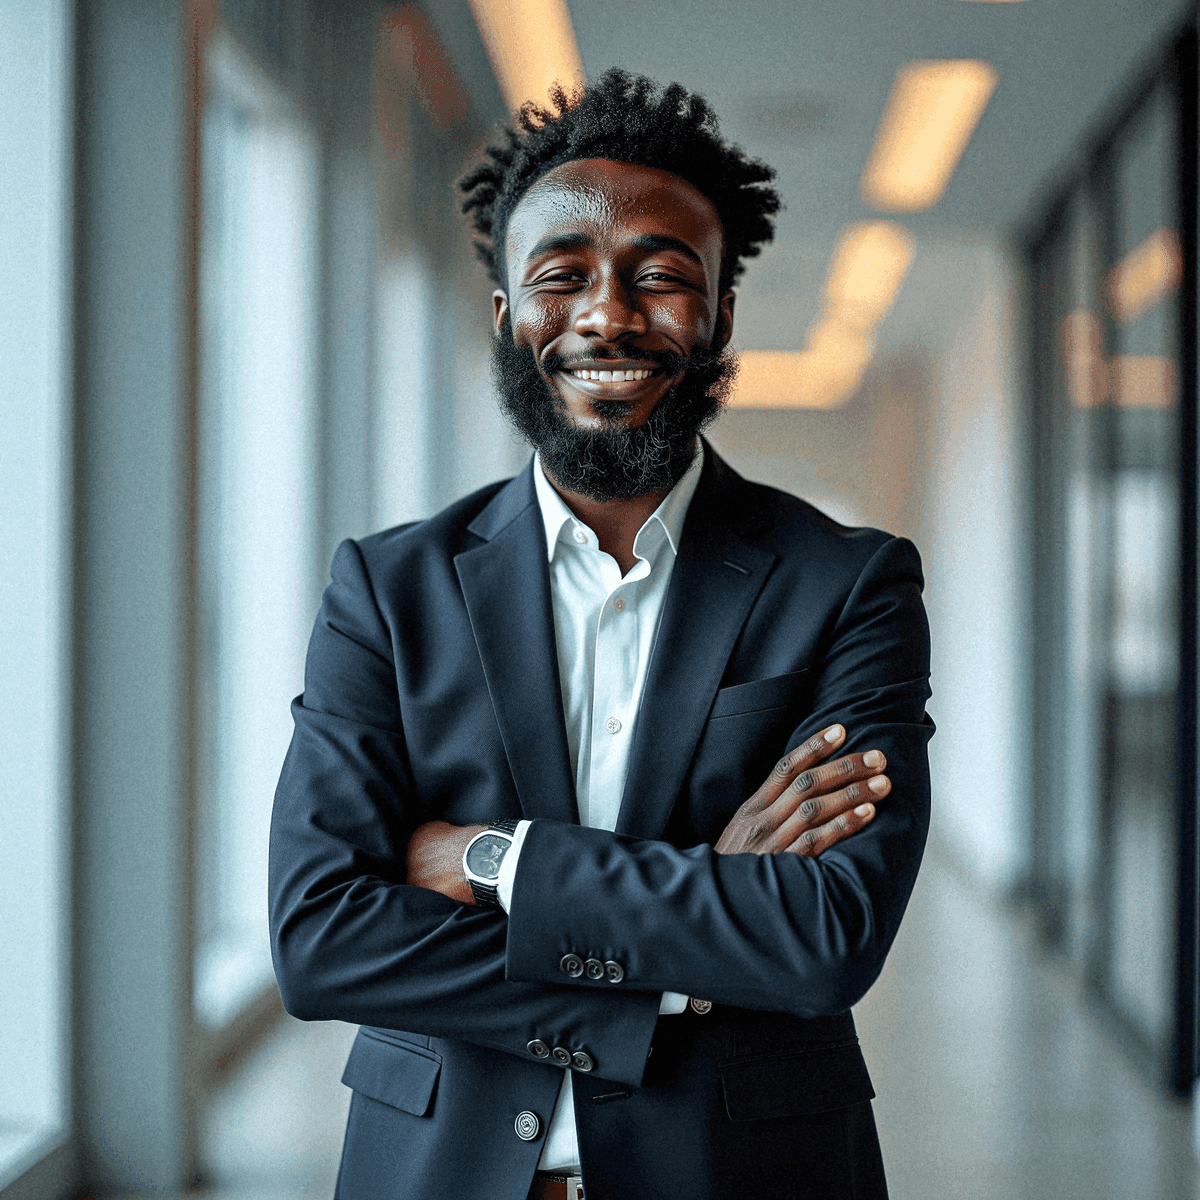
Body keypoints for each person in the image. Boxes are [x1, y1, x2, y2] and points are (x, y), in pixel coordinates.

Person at [269, 69, 933, 1200]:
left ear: (722, 315)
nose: (608, 316)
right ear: (506, 317)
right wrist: (697, 930)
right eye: (561, 276)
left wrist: (497, 859)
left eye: (661, 277)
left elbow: (826, 936)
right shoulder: (387, 589)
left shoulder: (847, 584)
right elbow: (323, 936)